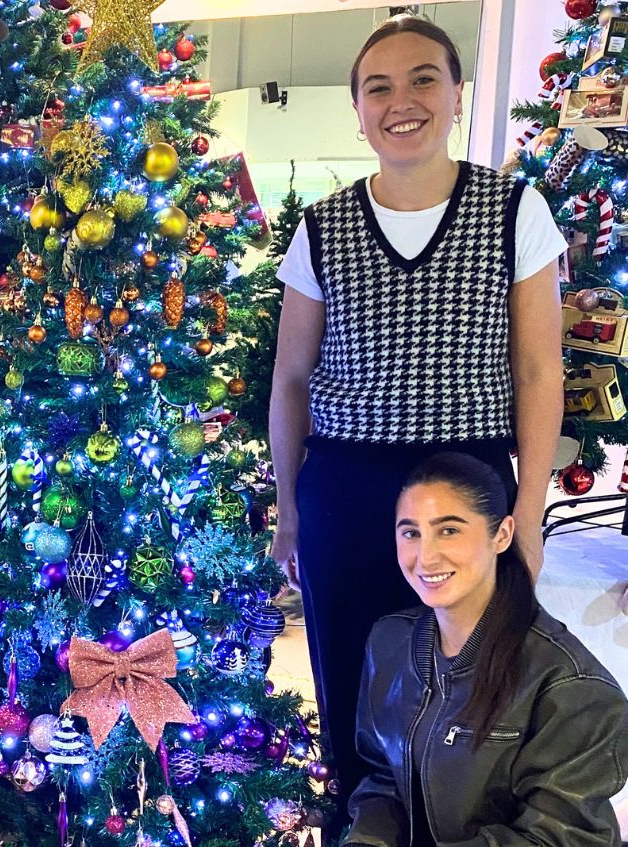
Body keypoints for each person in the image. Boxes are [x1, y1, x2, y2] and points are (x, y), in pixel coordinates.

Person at [267, 14, 566, 826]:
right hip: (348, 486)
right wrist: (291, 511)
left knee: (472, 689)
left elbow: (539, 370)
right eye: (379, 88)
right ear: (359, 113)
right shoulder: (321, 228)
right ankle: (356, 830)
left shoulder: (514, 211)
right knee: (353, 688)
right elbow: (291, 376)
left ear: (457, 94)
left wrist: (528, 513)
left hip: (468, 484)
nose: (402, 102)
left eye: (423, 79)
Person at [347, 452, 628, 847]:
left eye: (449, 531)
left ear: (503, 534)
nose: (425, 557)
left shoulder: (572, 687)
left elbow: (559, 839)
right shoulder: (389, 640)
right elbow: (382, 780)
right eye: (411, 533)